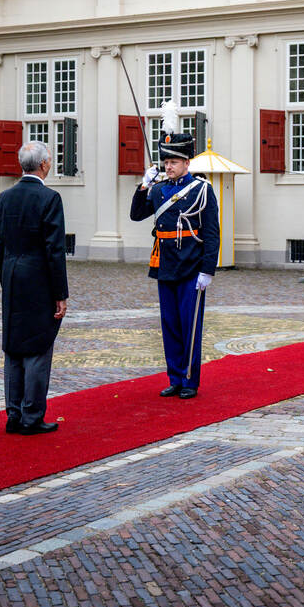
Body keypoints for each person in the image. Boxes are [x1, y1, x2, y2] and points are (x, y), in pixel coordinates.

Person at [129, 106, 219, 399]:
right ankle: (175, 376)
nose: (168, 167)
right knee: (169, 324)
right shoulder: (159, 189)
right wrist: (144, 185)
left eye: (173, 162)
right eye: (166, 162)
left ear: (186, 162)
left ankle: (190, 379)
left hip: (192, 265)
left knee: (189, 324)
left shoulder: (201, 190)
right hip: (165, 264)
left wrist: (208, 270)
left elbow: (211, 233)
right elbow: (136, 214)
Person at [0, 142, 68, 435]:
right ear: (45, 165)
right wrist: (60, 293)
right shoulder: (49, 198)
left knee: (13, 347)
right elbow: (55, 250)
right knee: (38, 346)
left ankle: (13, 413)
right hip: (38, 277)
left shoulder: (5, 197)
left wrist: (6, 275)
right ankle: (32, 415)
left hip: (12, 274)